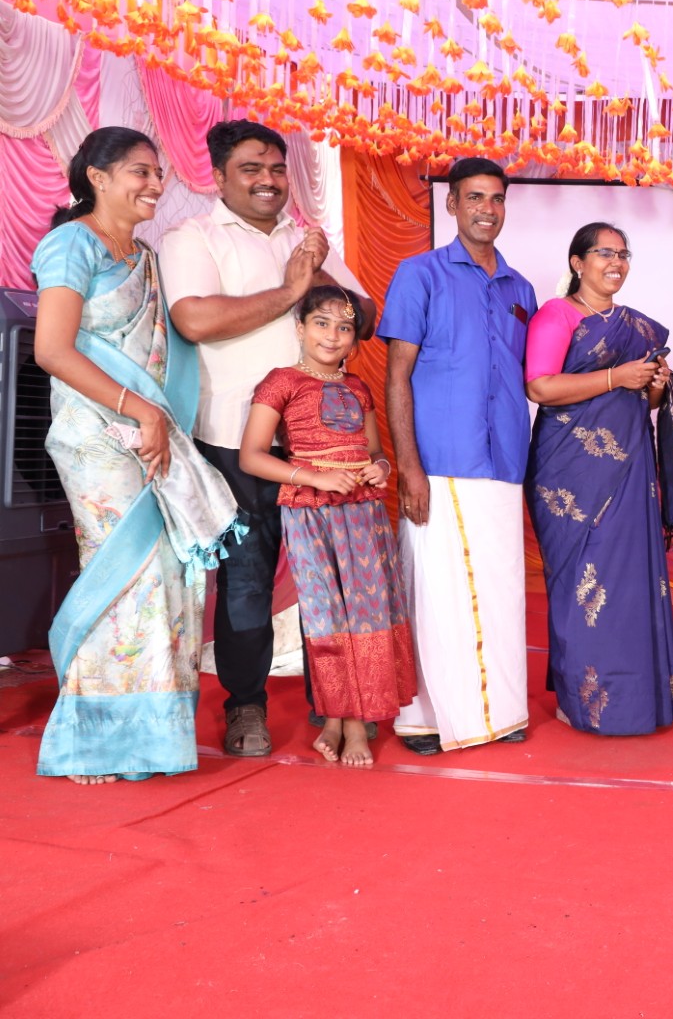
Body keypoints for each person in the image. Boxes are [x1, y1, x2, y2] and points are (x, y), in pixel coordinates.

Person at [31, 127, 244, 783]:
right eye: (140, 172)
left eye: (158, 173)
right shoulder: (72, 244)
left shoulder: (147, 257)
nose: (156, 184)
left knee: (173, 577)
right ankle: (94, 740)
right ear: (97, 177)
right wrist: (140, 409)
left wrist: (158, 417)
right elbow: (52, 349)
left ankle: (151, 742)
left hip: (154, 432)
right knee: (126, 575)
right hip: (98, 436)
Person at [161, 119, 370, 758]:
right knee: (247, 581)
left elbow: (365, 315)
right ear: (218, 177)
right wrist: (292, 289)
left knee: (331, 579)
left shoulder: (303, 240)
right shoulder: (192, 237)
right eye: (251, 168)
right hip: (234, 440)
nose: (268, 180)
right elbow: (195, 320)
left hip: (323, 444)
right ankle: (245, 705)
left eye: (277, 169)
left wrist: (318, 268)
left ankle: (335, 703)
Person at [380, 157, 538, 755]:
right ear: (451, 204)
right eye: (474, 197)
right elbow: (398, 376)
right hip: (441, 461)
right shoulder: (419, 274)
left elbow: (532, 377)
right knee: (434, 591)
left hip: (505, 458)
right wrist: (409, 467)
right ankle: (424, 718)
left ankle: (501, 711)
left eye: (496, 199)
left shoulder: (520, 289)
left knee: (502, 591)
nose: (486, 210)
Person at [524, 222, 673, 735]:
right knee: (579, 585)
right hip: (569, 473)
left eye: (623, 254)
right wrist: (615, 377)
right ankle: (580, 701)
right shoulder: (557, 314)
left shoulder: (636, 328)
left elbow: (642, 403)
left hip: (628, 469)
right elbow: (540, 387)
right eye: (605, 253)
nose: (616, 263)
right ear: (577, 262)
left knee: (628, 586)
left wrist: (653, 385)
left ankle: (635, 702)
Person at [239, 287, 416, 767]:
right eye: (321, 323)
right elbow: (251, 456)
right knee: (327, 619)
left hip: (363, 514)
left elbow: (375, 451)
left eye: (344, 327)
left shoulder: (358, 387)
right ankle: (342, 719)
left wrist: (381, 468)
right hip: (310, 512)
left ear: (354, 338)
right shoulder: (281, 382)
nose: (332, 335)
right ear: (299, 327)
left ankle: (347, 724)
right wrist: (315, 477)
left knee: (368, 616)